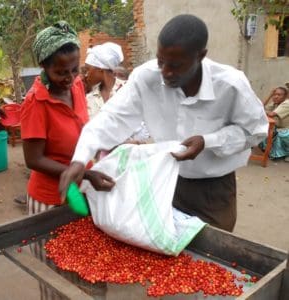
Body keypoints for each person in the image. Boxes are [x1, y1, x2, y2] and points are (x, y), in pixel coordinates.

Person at [59, 14, 268, 232]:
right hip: (163, 180)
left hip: (213, 191)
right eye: (161, 61)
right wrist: (79, 160)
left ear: (201, 56)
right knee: (164, 254)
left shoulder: (230, 84)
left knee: (210, 255)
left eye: (176, 66)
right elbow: (110, 118)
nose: (166, 72)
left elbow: (255, 131)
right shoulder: (146, 77)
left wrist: (209, 141)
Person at [20, 21, 113, 215]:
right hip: (51, 198)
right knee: (52, 245)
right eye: (61, 72)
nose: (70, 78)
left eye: (75, 69)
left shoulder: (77, 86)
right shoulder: (36, 102)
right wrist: (86, 173)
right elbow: (33, 159)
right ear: (44, 66)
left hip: (82, 189)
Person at [82, 42, 125, 119]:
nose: (86, 75)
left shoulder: (127, 91)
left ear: (100, 69)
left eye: (88, 70)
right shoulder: (88, 98)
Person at [260, 87, 289, 161]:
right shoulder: (275, 103)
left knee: (278, 134)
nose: (276, 96)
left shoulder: (287, 103)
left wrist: (261, 112)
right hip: (280, 128)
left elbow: (271, 114)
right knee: (265, 131)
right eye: (274, 94)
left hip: (286, 129)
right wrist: (270, 95)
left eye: (279, 95)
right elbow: (260, 108)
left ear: (285, 96)